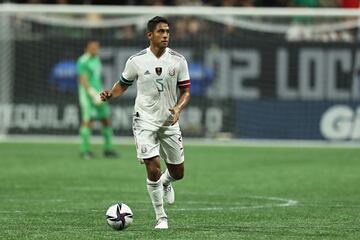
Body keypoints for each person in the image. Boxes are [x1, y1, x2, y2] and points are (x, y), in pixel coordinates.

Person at [100, 16, 191, 229]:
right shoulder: (136, 61)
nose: (165, 35)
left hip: (169, 122)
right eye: (161, 31)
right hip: (144, 121)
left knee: (178, 172)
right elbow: (123, 84)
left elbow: (186, 90)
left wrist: (178, 108)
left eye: (167, 31)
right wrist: (110, 95)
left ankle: (166, 183)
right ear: (150, 35)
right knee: (152, 168)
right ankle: (161, 217)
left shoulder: (178, 60)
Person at [77, 40, 118, 159]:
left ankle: (108, 149)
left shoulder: (97, 59)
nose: (95, 50)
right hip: (87, 96)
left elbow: (96, 78)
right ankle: (84, 150)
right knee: (87, 121)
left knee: (106, 119)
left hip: (99, 94)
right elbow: (82, 79)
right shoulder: (82, 61)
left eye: (97, 48)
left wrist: (100, 92)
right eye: (93, 48)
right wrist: (91, 92)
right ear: (87, 48)